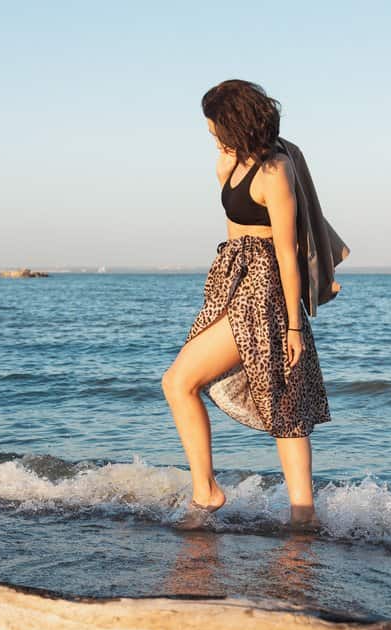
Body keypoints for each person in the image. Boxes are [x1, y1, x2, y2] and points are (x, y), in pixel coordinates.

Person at [162, 80, 332, 532]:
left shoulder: (276, 170)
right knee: (279, 396)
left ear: (236, 121)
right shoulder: (228, 163)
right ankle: (304, 515)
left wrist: (294, 326)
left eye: (216, 124)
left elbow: (286, 252)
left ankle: (208, 492)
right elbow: (234, 230)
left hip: (266, 288)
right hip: (232, 279)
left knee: (182, 382)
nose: (212, 133)